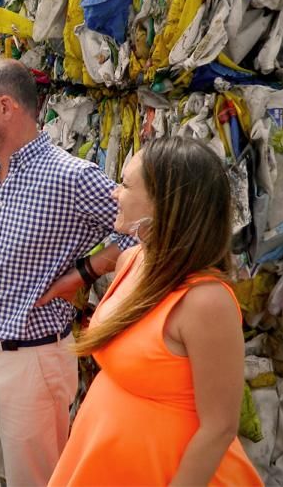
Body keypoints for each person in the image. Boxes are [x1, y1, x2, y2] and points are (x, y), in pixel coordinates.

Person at [0, 59, 134, 486]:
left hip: (33, 363)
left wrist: (84, 272)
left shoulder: (72, 177)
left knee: (36, 479)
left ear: (5, 107)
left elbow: (141, 231)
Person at [49, 136, 263, 486]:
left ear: (165, 203)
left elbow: (220, 428)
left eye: (125, 185)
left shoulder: (206, 302)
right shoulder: (132, 260)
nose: (114, 193)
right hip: (104, 458)